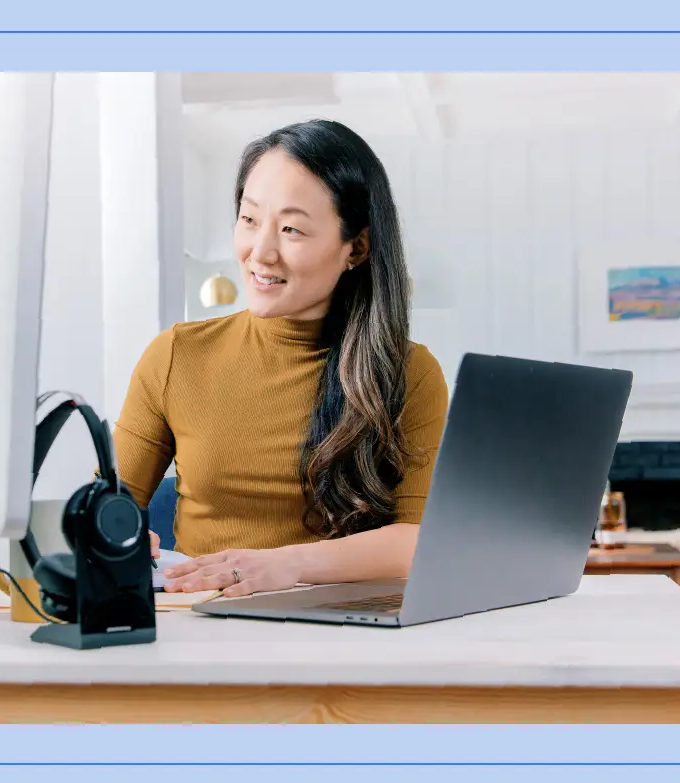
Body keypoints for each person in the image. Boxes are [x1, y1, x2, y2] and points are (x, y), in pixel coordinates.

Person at [114, 119, 449, 598]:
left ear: (356, 247)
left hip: (345, 632)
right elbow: (107, 503)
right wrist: (112, 535)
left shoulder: (408, 373)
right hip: (198, 626)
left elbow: (417, 541)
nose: (260, 253)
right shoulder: (176, 355)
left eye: (291, 229)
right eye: (249, 220)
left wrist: (287, 565)